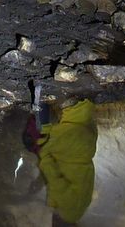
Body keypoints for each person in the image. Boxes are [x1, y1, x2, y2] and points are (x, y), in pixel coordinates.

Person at [37, 96, 99, 225]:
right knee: (39, 140)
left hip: (86, 144)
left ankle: (82, 101)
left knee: (79, 116)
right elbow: (55, 181)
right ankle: (41, 97)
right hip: (72, 147)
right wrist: (44, 159)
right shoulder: (68, 211)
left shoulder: (80, 208)